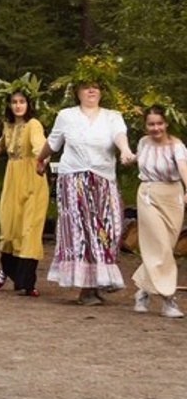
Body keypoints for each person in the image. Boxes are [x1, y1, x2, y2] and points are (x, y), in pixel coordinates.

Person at [35, 76, 135, 305]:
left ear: (102, 91)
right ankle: (87, 288)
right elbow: (53, 142)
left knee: (109, 230)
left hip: (103, 180)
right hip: (74, 180)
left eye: (96, 87)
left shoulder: (112, 116)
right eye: (86, 87)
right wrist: (40, 159)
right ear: (77, 91)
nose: (91, 90)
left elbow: (120, 137)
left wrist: (126, 151)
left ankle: (100, 279)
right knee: (81, 232)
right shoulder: (67, 116)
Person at [130, 105, 187, 317]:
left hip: (172, 197)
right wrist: (130, 157)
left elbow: (183, 168)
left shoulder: (176, 146)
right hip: (148, 194)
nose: (155, 128)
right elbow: (140, 158)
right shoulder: (144, 143)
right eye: (151, 124)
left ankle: (143, 291)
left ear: (166, 124)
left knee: (163, 250)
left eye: (159, 123)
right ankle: (168, 299)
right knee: (160, 246)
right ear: (146, 126)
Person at [0, 88, 49, 296]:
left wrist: (42, 158)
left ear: (28, 104)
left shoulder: (33, 125)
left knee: (29, 228)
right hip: (12, 178)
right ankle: (9, 270)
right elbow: (1, 145)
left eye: (22, 101)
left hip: (32, 177)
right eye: (14, 101)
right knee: (9, 225)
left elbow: (39, 144)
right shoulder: (8, 126)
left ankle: (27, 282)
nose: (18, 105)